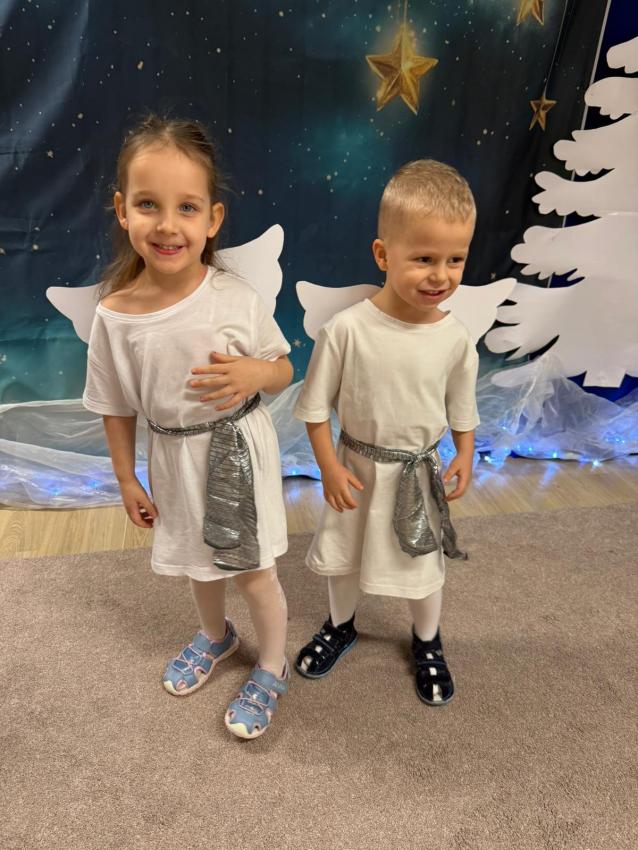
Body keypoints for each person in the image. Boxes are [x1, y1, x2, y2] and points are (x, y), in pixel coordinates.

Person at [83, 115, 293, 739]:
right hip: (173, 458)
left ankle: (272, 665)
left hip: (240, 451)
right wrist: (127, 479)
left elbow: (283, 369)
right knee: (199, 563)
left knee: (252, 570)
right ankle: (215, 635)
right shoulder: (115, 317)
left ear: (213, 219)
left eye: (187, 207)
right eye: (149, 204)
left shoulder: (235, 298)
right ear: (122, 210)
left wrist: (256, 372)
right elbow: (114, 405)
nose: (168, 225)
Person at [293, 159, 479, 705]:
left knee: (422, 562)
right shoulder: (347, 330)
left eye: (455, 259)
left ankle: (427, 638)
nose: (440, 275)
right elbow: (314, 408)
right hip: (355, 469)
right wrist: (328, 466)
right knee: (344, 553)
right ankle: (340, 624)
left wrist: (465, 452)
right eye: (424, 258)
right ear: (383, 254)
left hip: (417, 475)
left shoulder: (455, 339)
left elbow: (462, 405)